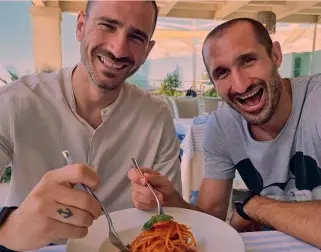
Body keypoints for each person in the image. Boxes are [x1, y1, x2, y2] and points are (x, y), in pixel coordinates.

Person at [0, 1, 182, 251]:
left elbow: (171, 215)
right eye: (107, 25)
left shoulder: (157, 116)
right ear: (80, 26)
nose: (118, 49)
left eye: (136, 36)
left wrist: (163, 200)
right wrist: (10, 228)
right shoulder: (15, 101)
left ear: (148, 50)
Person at [129, 17, 321, 249]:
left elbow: (248, 210)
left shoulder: (315, 103)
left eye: (248, 61)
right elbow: (209, 219)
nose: (240, 85)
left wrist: (255, 207)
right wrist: (171, 200)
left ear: (276, 56)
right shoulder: (222, 127)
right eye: (222, 73)